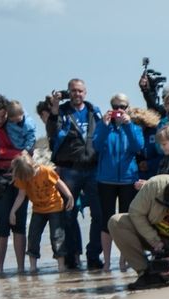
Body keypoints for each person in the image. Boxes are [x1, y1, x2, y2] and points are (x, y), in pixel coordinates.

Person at [46, 79, 103, 270]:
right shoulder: (62, 112)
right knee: (68, 215)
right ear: (68, 92)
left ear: (85, 92)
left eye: (79, 91)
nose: (76, 94)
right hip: (70, 168)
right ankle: (73, 256)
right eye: (73, 91)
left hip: (92, 168)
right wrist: (54, 109)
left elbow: (102, 135)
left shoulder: (94, 111)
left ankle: (94, 255)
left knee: (98, 214)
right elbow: (52, 134)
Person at [94, 94, 144, 271]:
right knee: (106, 221)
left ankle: (124, 260)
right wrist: (105, 126)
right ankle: (107, 262)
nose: (119, 110)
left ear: (128, 107)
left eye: (123, 106)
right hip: (106, 180)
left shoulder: (134, 127)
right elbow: (96, 146)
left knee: (125, 221)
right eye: (116, 106)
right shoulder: (104, 126)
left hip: (127, 179)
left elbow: (138, 147)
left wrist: (128, 125)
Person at [0, 93, 28, 276]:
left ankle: (21, 268)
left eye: (3, 116)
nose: (0, 120)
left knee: (19, 223)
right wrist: (16, 153)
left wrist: (17, 153)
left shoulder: (15, 123)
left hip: (19, 176)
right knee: (2, 224)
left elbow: (28, 145)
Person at [8, 152, 74, 274]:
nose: (29, 179)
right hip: (38, 210)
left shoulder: (46, 171)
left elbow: (59, 183)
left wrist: (69, 196)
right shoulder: (23, 176)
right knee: (33, 236)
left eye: (30, 175)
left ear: (33, 166)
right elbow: (21, 195)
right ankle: (33, 266)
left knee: (57, 236)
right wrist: (13, 211)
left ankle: (61, 265)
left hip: (55, 207)